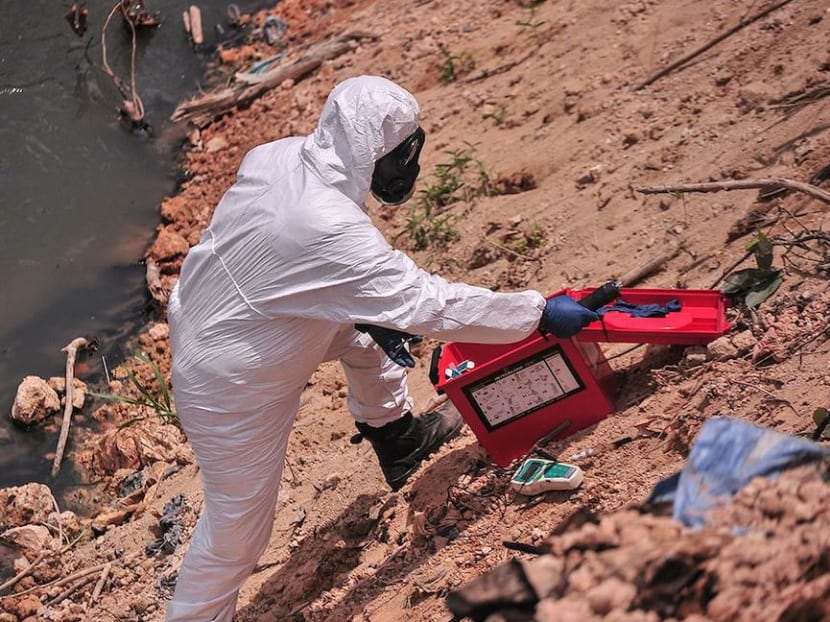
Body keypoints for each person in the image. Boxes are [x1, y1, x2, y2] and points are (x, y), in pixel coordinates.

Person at [165, 75, 597, 621]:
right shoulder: (326, 227)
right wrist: (538, 313)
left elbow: (316, 276)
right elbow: (432, 306)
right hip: (230, 383)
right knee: (238, 533)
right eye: (399, 154)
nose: (405, 168)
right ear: (372, 150)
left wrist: (368, 310)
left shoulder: (276, 157)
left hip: (229, 318)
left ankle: (399, 441)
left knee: (372, 329)